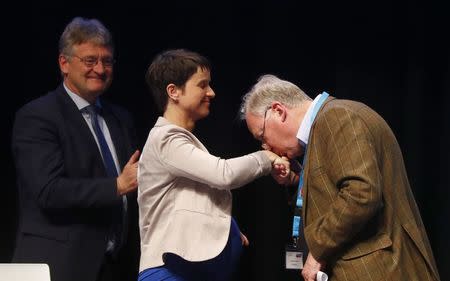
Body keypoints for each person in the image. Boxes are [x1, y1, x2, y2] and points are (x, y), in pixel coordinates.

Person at [240, 74, 441, 281]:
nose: (265, 146)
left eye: (262, 136)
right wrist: (295, 181)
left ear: (279, 111)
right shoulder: (326, 123)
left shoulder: (336, 117)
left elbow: (362, 193)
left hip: (378, 270)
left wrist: (318, 250)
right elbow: (340, 191)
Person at [138, 49, 289, 281]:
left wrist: (228, 230)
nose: (211, 92)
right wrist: (266, 159)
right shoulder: (165, 139)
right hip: (167, 271)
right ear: (173, 91)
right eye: (202, 85)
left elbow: (184, 203)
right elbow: (223, 174)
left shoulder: (180, 141)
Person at [11, 17, 140, 281]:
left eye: (107, 61)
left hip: (117, 267)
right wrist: (116, 186)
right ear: (64, 63)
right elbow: (49, 191)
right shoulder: (37, 116)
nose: (100, 69)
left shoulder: (121, 119)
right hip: (59, 266)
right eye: (90, 60)